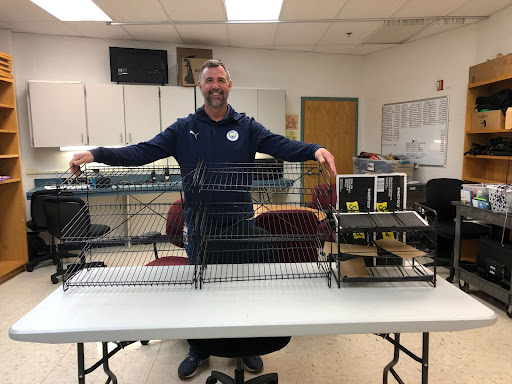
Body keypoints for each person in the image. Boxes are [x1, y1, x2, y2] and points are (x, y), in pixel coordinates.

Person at [69, 59, 336, 379]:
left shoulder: (247, 126)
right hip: (200, 227)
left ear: (229, 85)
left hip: (241, 224)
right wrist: (98, 154)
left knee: (243, 288)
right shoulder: (183, 129)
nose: (215, 86)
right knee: (202, 291)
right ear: (201, 86)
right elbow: (141, 151)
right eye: (209, 80)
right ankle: (200, 348)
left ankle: (247, 344)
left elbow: (281, 144)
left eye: (221, 80)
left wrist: (314, 149)